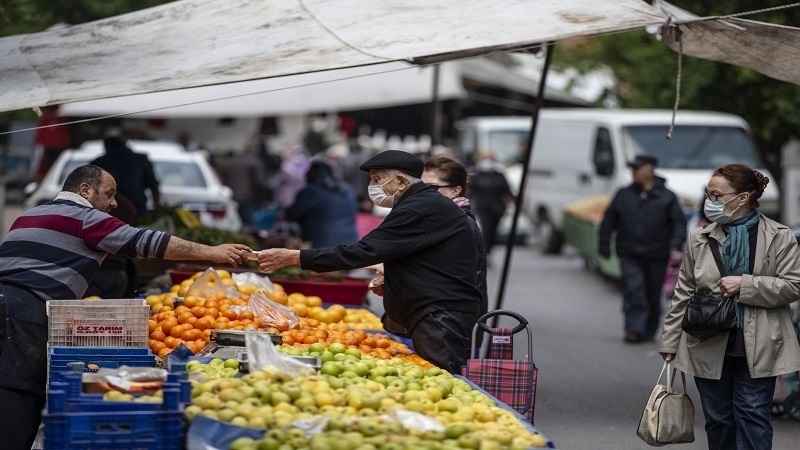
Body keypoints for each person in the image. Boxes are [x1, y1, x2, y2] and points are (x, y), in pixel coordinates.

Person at [0, 165, 252, 449]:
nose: (114, 203)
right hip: (23, 311)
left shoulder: (29, 215)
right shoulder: (85, 218)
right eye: (109, 194)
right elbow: (148, 242)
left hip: (7, 303)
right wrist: (212, 252)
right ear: (85, 191)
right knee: (17, 393)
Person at [257, 150, 482, 373]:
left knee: (439, 378)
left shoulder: (421, 206)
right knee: (431, 374)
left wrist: (294, 257)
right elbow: (419, 259)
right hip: (435, 311)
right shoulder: (418, 203)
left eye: (377, 179)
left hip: (440, 315)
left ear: (402, 181)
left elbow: (365, 251)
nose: (372, 186)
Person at [660, 164, 800, 450]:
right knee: (718, 420)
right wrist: (669, 341)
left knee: (752, 415)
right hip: (707, 339)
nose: (710, 201)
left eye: (717, 195)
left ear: (743, 197)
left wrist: (745, 285)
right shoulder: (699, 238)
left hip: (761, 342)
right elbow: (684, 292)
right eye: (708, 194)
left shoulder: (779, 235)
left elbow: (793, 286)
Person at [599, 155, 686, 343]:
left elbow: (678, 222)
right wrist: (604, 244)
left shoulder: (667, 196)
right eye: (633, 169)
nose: (634, 173)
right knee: (634, 290)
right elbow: (609, 221)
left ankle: (648, 329)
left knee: (653, 294)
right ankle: (634, 329)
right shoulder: (623, 194)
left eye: (638, 168)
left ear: (650, 170)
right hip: (629, 253)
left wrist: (675, 243)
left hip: (657, 254)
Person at [286, 160, 359, 248]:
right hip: (351, 242)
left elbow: (293, 213)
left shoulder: (311, 191)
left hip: (323, 243)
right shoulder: (347, 189)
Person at [90, 127, 160, 218]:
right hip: (138, 212)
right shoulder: (141, 160)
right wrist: (156, 212)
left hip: (105, 215)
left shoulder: (97, 163)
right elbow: (154, 187)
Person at [469, 151, 514, 259]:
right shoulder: (475, 175)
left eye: (490, 159)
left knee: (494, 232)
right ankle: (484, 253)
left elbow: (507, 191)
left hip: (498, 208)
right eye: (485, 158)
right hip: (482, 207)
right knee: (486, 230)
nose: (487, 161)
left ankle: (489, 251)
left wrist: (510, 200)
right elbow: (470, 191)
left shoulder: (499, 175)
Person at [223, 145, 270, 227]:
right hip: (249, 198)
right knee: (251, 225)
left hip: (232, 197)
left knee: (235, 224)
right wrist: (265, 198)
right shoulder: (255, 162)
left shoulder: (231, 162)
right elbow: (260, 182)